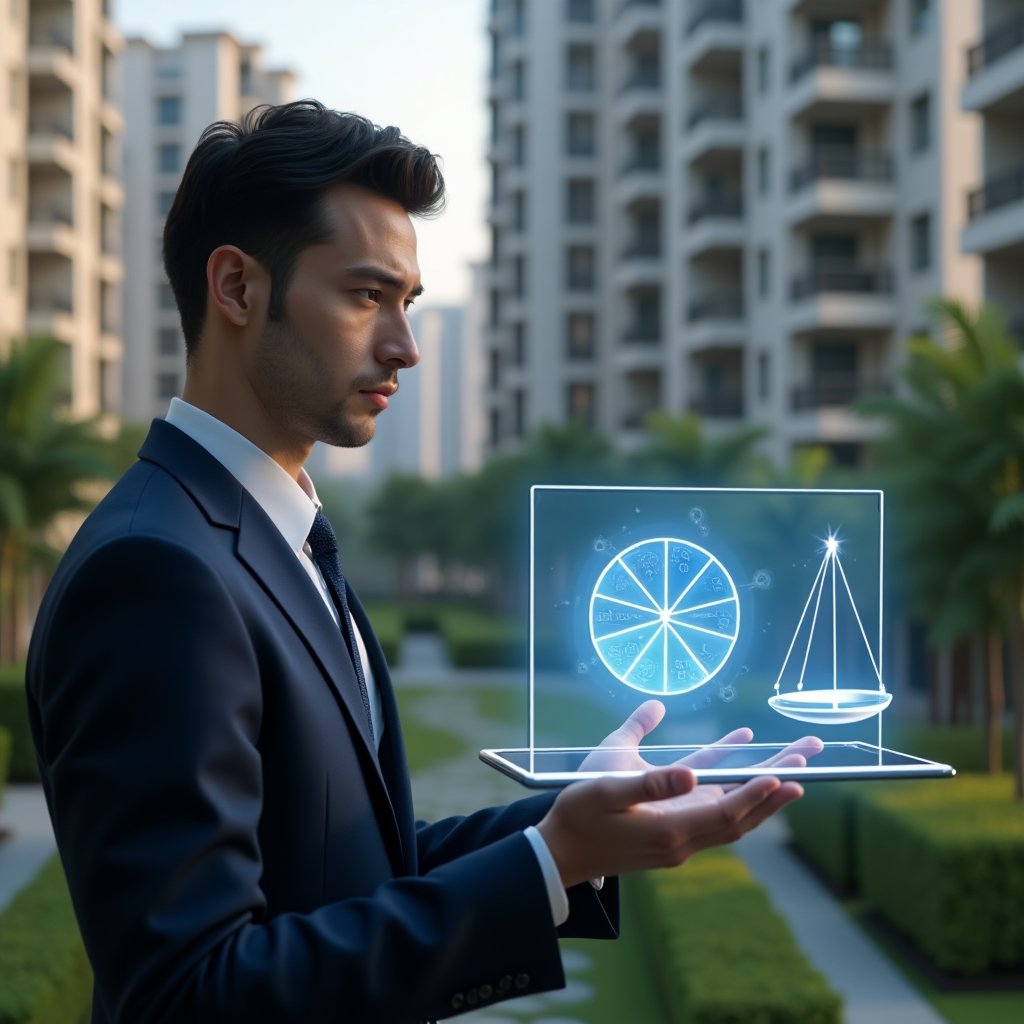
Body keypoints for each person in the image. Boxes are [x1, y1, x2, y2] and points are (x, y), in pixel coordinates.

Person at [26, 100, 808, 1024]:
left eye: (408, 303)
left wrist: (580, 828)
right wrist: (549, 862)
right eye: (366, 296)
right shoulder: (157, 572)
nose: (404, 346)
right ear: (236, 288)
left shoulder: (276, 538)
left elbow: (356, 866)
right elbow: (193, 993)